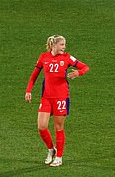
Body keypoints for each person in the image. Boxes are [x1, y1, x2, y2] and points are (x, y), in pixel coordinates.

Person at [25, 35, 89, 167]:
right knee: (41, 126)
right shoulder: (44, 57)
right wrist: (28, 90)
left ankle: (59, 157)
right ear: (54, 45)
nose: (64, 47)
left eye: (64, 45)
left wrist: (78, 73)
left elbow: (85, 67)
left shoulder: (67, 57)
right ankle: (51, 149)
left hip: (61, 97)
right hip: (47, 97)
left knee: (58, 127)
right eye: (62, 45)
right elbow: (34, 75)